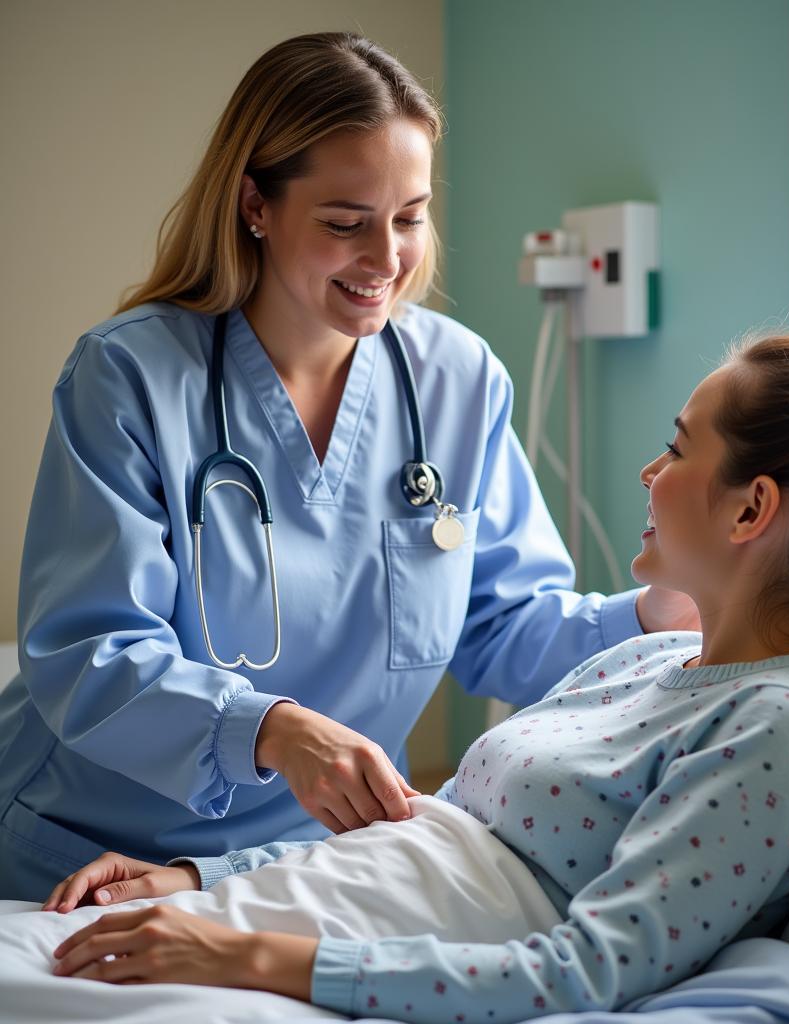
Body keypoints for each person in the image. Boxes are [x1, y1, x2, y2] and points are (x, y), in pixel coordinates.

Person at [31, 337, 789, 1023]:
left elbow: (584, 972)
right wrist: (196, 878)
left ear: (752, 511)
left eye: (680, 448)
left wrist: (247, 954)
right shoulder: (653, 662)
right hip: (270, 914)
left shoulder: (769, 732)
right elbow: (433, 831)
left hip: (306, 965)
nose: (651, 472)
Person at [0, 32, 698, 903]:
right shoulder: (130, 376)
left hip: (319, 853)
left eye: (410, 216)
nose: (387, 259)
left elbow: (503, 625)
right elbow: (88, 650)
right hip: (95, 843)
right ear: (256, 203)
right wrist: (275, 732)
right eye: (345, 223)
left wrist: (656, 617)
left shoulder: (458, 380)